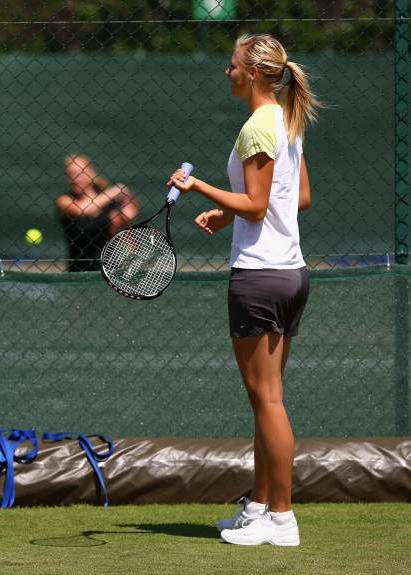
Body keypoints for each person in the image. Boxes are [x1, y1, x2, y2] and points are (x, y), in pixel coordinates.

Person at [167, 34, 320, 546]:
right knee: (266, 402)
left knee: (268, 401)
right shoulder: (286, 118)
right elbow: (296, 197)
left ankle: (281, 518)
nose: (227, 73)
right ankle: (259, 507)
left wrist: (201, 189)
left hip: (259, 277)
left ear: (253, 73)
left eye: (231, 66)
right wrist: (227, 209)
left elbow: (259, 206)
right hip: (291, 275)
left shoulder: (258, 125)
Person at [56, 154, 139, 271]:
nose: (75, 178)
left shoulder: (109, 204)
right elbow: (83, 209)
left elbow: (121, 229)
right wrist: (118, 189)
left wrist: (126, 213)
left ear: (91, 172)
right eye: (71, 175)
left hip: (109, 272)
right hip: (77, 274)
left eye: (79, 173)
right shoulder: (64, 201)